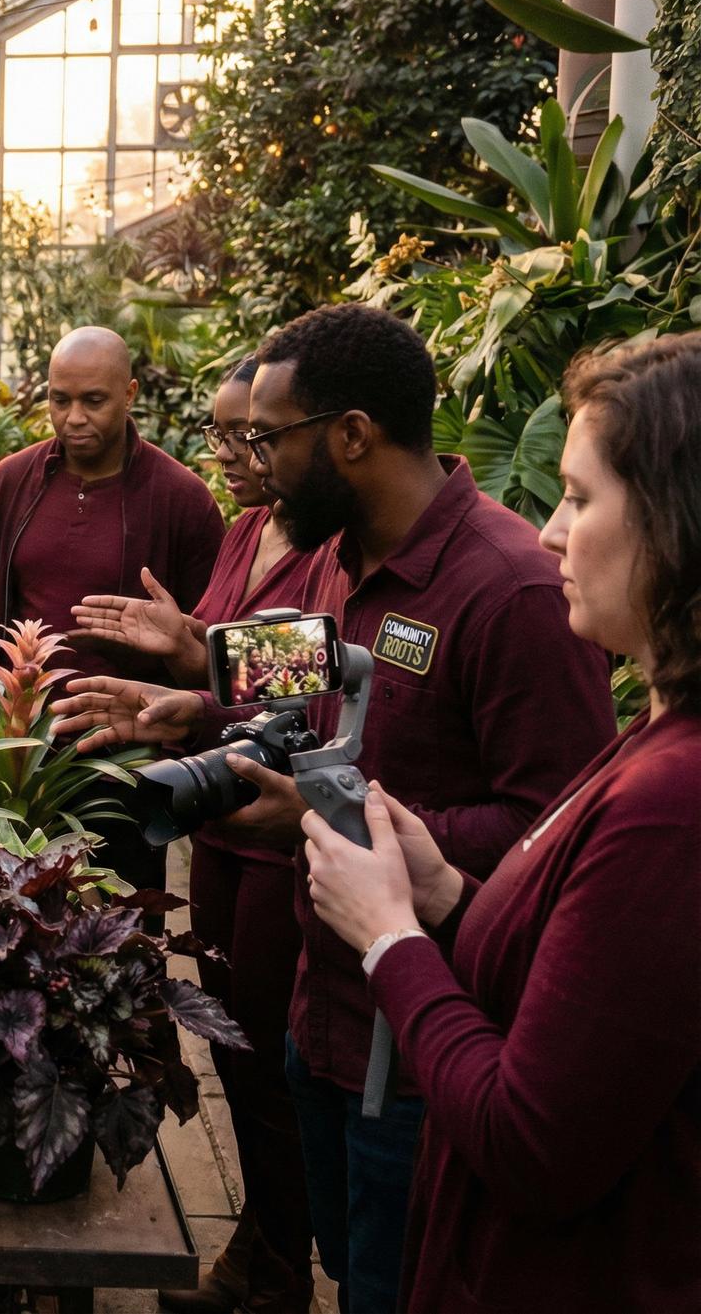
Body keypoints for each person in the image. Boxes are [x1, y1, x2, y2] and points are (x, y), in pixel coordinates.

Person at [54, 305, 614, 1314]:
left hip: (422, 1055)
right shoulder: (335, 563)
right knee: (345, 1270)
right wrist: (197, 706)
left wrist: (336, 822)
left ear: (351, 435)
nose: (254, 462)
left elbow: (556, 836)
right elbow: (306, 701)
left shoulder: (510, 590)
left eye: (271, 437)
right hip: (323, 1014)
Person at [301, 336, 701, 1314]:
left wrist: (391, 933)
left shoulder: (671, 802)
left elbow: (533, 1140)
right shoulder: (655, 742)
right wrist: (444, 891)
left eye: (579, 495)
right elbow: (588, 973)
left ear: (676, 521)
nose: (552, 531)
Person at [70, 355, 316, 1313]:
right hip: (217, 829)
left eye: (249, 434)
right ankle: (255, 1252)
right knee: (238, 1061)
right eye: (220, 433)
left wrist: (196, 656)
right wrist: (187, 679)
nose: (231, 453)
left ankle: (280, 1272)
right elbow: (228, 673)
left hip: (280, 837)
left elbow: (310, 676)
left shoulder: (326, 543)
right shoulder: (247, 530)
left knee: (273, 1076)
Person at [0, 325, 225, 676]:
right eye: (60, 400)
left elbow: (210, 634)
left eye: (94, 401)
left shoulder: (181, 498)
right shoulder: (10, 482)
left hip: (130, 722)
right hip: (17, 721)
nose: (74, 418)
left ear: (128, 395)